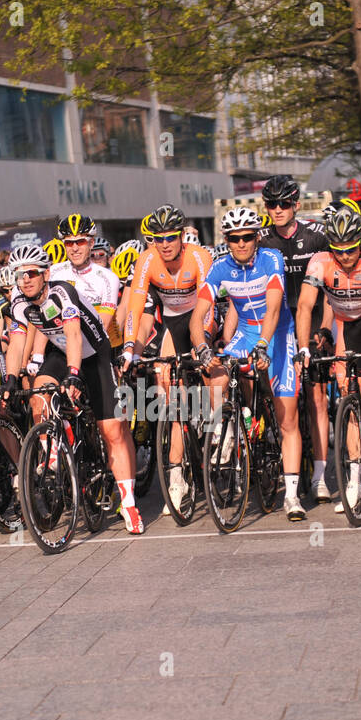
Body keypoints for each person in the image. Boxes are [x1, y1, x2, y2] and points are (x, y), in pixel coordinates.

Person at [1, 244, 142, 534]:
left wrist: (75, 375)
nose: (24, 280)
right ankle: (54, 449)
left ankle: (129, 504)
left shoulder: (61, 292)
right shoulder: (17, 300)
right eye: (19, 275)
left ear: (46, 274)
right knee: (39, 397)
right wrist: (11, 378)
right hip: (58, 351)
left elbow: (74, 335)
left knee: (112, 430)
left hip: (93, 353)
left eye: (31, 273)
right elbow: (17, 341)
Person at [190, 206, 303, 518]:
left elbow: (275, 308)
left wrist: (264, 345)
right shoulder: (220, 268)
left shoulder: (271, 259)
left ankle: (292, 497)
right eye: (234, 238)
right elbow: (197, 316)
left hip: (277, 333)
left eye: (247, 237)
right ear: (227, 240)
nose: (241, 243)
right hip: (246, 333)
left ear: (256, 237)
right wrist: (201, 347)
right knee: (216, 376)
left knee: (287, 418)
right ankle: (227, 429)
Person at [297, 207, 361, 515]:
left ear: (360, 241)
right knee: (347, 392)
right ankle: (355, 478)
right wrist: (304, 347)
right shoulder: (320, 262)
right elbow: (304, 305)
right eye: (338, 251)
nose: (345, 257)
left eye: (351, 249)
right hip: (346, 322)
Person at [119, 205, 212, 516]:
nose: (165, 244)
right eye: (158, 239)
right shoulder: (146, 260)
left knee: (206, 373)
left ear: (181, 235)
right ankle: (176, 476)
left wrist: (202, 344)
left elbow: (207, 306)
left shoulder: (198, 256)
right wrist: (131, 347)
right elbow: (137, 309)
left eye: (171, 237)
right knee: (168, 394)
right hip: (170, 323)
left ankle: (213, 420)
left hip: (200, 316)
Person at [258, 174, 332, 501]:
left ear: (296, 204)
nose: (277, 209)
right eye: (271, 204)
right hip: (276, 321)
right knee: (274, 396)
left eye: (283, 203)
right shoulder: (259, 240)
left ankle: (319, 475)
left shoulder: (317, 235)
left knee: (316, 397)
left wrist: (326, 329)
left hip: (312, 316)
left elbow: (334, 283)